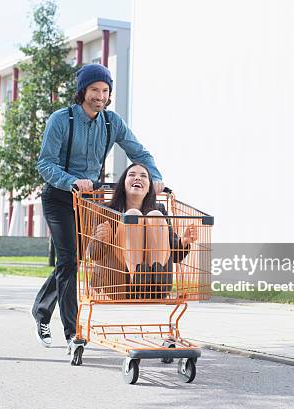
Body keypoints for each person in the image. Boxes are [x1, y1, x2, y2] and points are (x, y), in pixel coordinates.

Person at [33, 63, 164, 352]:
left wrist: (154, 176)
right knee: (69, 260)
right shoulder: (61, 120)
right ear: (83, 91)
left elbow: (138, 151)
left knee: (79, 260)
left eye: (105, 91)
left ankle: (41, 310)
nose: (100, 96)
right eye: (94, 90)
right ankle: (72, 331)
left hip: (91, 201)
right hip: (59, 197)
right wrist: (72, 181)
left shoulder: (111, 122)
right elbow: (44, 163)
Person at [88, 163, 198, 300]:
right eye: (132, 175)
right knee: (133, 215)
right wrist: (102, 240)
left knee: (155, 215)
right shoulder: (106, 210)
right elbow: (93, 254)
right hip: (120, 283)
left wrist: (184, 241)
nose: (138, 178)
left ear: (149, 189)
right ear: (123, 185)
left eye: (143, 176)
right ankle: (137, 279)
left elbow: (174, 254)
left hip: (156, 289)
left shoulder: (160, 210)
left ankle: (155, 281)